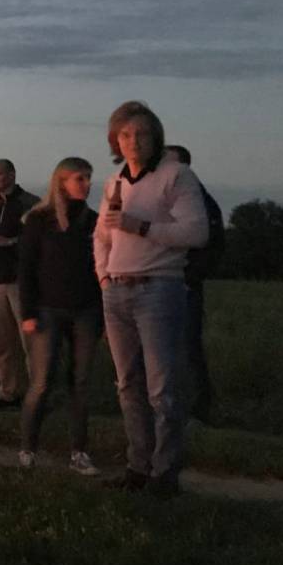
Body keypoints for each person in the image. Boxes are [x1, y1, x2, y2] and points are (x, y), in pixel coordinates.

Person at [95, 102, 209, 498]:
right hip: (117, 290)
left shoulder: (176, 175)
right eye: (125, 134)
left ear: (155, 135)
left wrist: (139, 226)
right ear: (115, 140)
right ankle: (137, 466)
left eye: (141, 133)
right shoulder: (115, 183)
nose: (133, 141)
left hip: (159, 288)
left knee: (163, 387)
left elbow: (196, 233)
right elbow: (101, 236)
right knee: (127, 384)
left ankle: (165, 473)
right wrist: (104, 275)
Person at [16, 157, 101, 475]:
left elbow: (100, 267)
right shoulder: (39, 220)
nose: (87, 184)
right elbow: (25, 268)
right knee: (41, 383)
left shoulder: (93, 221)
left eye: (89, 178)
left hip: (86, 311)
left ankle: (79, 452)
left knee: (80, 383)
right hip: (47, 311)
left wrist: (102, 316)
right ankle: (27, 448)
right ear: (61, 182)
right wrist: (27, 312)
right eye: (80, 178)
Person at [165, 145, 225, 425]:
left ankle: (198, 410)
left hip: (184, 286)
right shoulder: (162, 196)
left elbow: (212, 248)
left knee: (188, 347)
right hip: (157, 283)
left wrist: (190, 278)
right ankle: (164, 407)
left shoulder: (201, 200)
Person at [0, 160, 38, 409]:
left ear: (11, 175)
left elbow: (38, 240)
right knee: (1, 342)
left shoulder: (29, 204)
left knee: (31, 343)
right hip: (0, 280)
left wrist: (8, 242)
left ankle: (38, 395)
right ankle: (8, 392)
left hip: (23, 282)